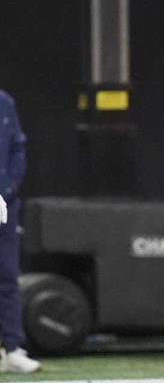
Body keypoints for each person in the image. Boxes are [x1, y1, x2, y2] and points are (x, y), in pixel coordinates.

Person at [0, 89, 40, 374]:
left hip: (4, 203)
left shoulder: (4, 102)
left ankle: (12, 348)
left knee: (8, 276)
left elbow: (17, 147)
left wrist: (8, 190)